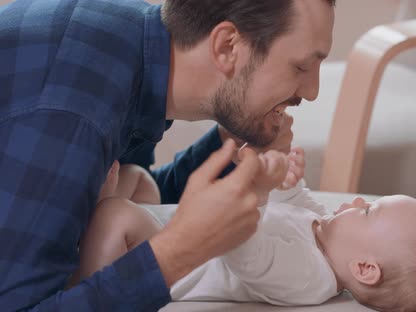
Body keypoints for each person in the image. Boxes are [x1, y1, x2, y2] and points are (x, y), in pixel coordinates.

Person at [0, 0, 335, 310]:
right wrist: (179, 252)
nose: (313, 91)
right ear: (227, 46)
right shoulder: (75, 113)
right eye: (302, 67)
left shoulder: (132, 50)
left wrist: (225, 147)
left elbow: (112, 202)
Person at [72, 148, 416, 312]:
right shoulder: (322, 231)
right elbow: (296, 205)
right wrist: (287, 179)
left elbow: (246, 252)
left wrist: (253, 192)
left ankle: (83, 283)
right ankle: (95, 217)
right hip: (167, 222)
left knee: (115, 216)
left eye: (369, 211)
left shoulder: (308, 278)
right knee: (139, 179)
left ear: (364, 269)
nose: (356, 201)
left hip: (162, 260)